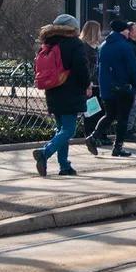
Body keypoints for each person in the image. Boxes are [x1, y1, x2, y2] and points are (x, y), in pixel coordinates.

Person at [33, 15, 91, 177]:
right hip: (70, 91)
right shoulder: (75, 44)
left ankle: (64, 165)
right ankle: (44, 152)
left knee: (61, 129)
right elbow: (81, 67)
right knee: (69, 130)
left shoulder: (47, 43)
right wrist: (87, 84)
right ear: (72, 28)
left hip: (52, 90)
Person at [86, 19, 136, 157]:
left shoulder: (103, 46)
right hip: (123, 88)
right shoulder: (125, 47)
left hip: (106, 88)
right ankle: (118, 147)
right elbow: (132, 68)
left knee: (109, 115)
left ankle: (94, 136)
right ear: (123, 31)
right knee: (123, 118)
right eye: (127, 30)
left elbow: (99, 69)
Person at [79, 21, 110, 146]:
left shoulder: (98, 46)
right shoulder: (84, 47)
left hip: (100, 83)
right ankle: (90, 136)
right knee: (91, 112)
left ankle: (100, 134)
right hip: (90, 83)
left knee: (102, 111)